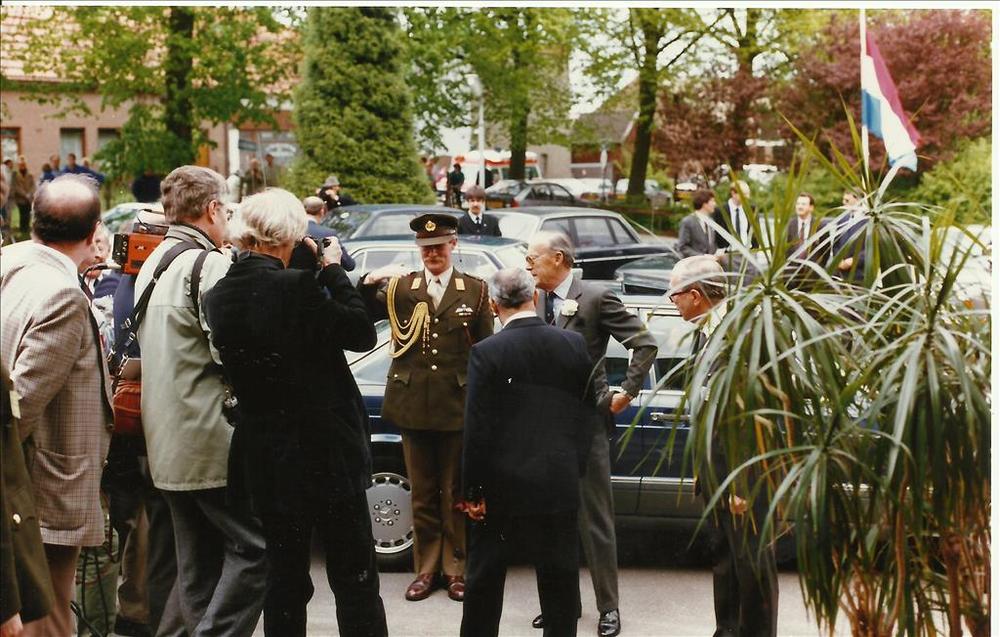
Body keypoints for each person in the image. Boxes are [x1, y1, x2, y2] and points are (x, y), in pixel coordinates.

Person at [205, 188, 387, 637]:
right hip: (326, 453)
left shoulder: (219, 295)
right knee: (354, 575)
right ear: (288, 234)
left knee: (284, 579)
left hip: (267, 455)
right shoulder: (297, 287)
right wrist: (332, 269)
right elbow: (361, 333)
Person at [135, 165, 267, 635]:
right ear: (212, 209)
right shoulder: (208, 265)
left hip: (165, 440)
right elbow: (231, 349)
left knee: (197, 564)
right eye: (226, 210)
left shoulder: (154, 260)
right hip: (209, 439)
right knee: (257, 548)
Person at [525, 231, 657, 637]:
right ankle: (562, 603)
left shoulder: (595, 297)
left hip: (585, 424)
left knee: (595, 519)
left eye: (533, 257)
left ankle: (609, 607)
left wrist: (626, 392)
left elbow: (645, 343)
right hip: (544, 427)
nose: (528, 265)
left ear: (558, 258)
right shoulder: (536, 299)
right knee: (552, 519)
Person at [359, 213, 493, 603]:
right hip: (413, 403)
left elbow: (485, 351)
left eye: (439, 247)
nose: (432, 254)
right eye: (426, 248)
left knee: (453, 491)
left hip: (455, 404)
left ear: (453, 245)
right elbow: (365, 310)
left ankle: (455, 569)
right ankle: (426, 569)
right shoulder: (402, 288)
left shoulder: (475, 290)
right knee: (421, 493)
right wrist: (367, 279)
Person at [0, 174, 113, 637]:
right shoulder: (62, 295)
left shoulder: (12, 263)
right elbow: (19, 407)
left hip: (29, 486)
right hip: (44, 489)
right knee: (46, 620)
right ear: (94, 232)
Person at [460, 267, 594, 637]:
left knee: (485, 579)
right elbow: (587, 415)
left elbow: (476, 427)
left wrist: (473, 491)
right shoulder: (573, 344)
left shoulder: (486, 352)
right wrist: (575, 467)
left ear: (493, 304)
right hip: (557, 478)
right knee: (559, 580)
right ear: (534, 297)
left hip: (501, 484)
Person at [669, 255, 778, 637]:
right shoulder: (706, 331)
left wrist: (742, 483)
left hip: (741, 476)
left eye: (674, 295)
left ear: (696, 295)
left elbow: (754, 414)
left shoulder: (741, 334)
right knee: (725, 560)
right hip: (716, 472)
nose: (672, 303)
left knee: (752, 567)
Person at [107, 207, 186, 637]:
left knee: (137, 520)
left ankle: (136, 607)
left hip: (127, 414)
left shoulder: (125, 280)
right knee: (148, 523)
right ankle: (142, 612)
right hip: (148, 416)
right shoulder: (149, 278)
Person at [288, 195, 355, 272]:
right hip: (317, 278)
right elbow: (349, 264)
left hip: (289, 277)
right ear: (322, 211)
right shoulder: (328, 233)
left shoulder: (289, 231)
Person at [712, 181, 755, 251]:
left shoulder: (752, 209)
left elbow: (755, 232)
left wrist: (755, 249)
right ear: (733, 193)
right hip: (727, 252)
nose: (747, 197)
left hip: (749, 252)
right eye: (744, 194)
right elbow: (716, 233)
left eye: (748, 194)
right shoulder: (720, 211)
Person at [676, 189, 719, 258]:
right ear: (704, 203)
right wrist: (702, 257)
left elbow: (712, 245)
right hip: (694, 263)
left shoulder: (711, 221)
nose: (715, 204)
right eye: (712, 201)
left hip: (710, 263)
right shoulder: (688, 221)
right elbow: (682, 248)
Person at [10, 156, 35, 236]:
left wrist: (30, 193)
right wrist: (25, 194)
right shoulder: (15, 174)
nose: (22, 166)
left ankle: (27, 228)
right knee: (22, 213)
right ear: (18, 165)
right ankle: (22, 228)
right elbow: (15, 186)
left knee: (28, 213)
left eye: (23, 164)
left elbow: (33, 185)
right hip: (20, 198)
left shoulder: (30, 174)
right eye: (20, 164)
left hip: (29, 198)